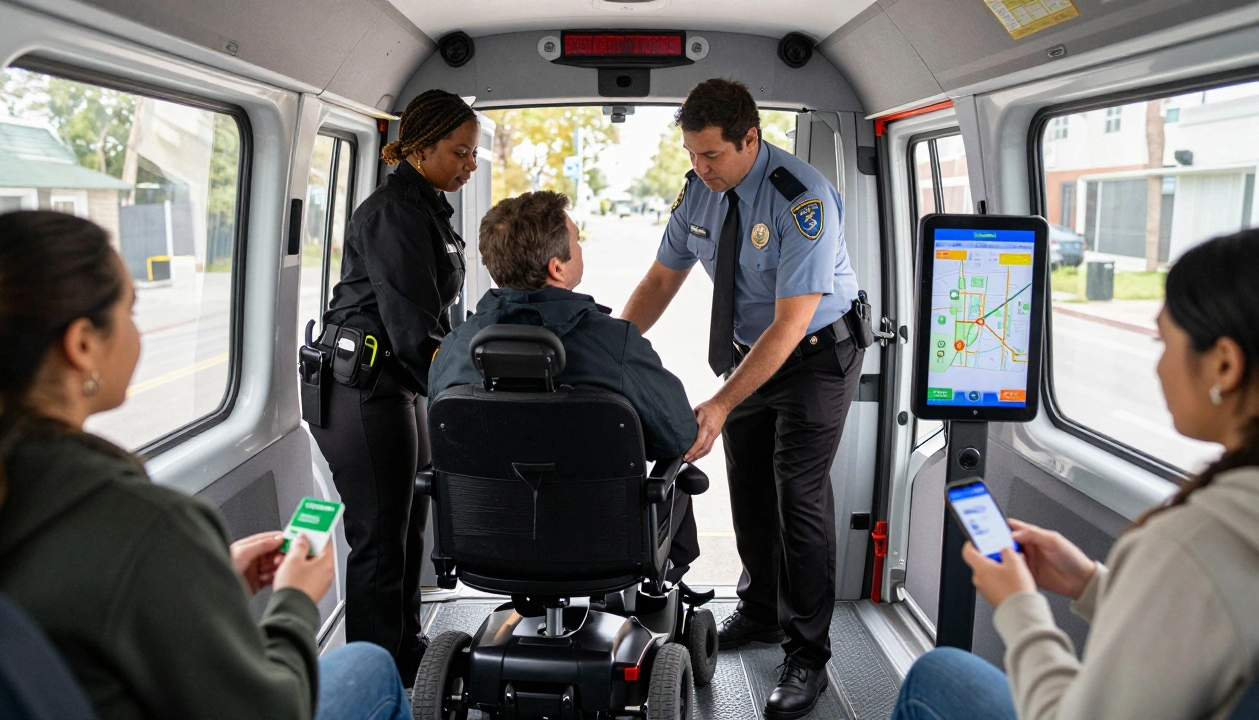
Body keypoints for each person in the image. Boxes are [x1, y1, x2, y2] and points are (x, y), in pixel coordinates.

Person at [0, 211, 412, 720]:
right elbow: (274, 709)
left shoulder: (2, 490)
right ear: (81, 345)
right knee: (369, 667)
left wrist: (205, 583)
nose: (137, 332)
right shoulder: (146, 525)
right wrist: (295, 600)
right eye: (130, 311)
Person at [892, 228, 1259, 720]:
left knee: (935, 674)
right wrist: (1088, 583)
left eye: (1163, 340)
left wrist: (1020, 605)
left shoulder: (1198, 542)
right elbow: (1205, 627)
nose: (1158, 366)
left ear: (1225, 364)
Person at [619, 78, 864, 719]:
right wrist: (607, 351)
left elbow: (790, 324)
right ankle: (760, 613)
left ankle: (808, 655)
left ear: (750, 138)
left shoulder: (799, 198)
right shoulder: (701, 190)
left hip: (813, 353)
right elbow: (660, 278)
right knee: (748, 484)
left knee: (797, 491)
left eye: (712, 156)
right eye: (693, 155)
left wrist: (722, 402)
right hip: (751, 352)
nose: (700, 169)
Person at [428, 190, 701, 581]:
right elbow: (679, 437)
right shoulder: (615, 344)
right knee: (675, 478)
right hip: (607, 546)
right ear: (557, 267)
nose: (581, 244)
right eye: (577, 240)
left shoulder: (454, 348)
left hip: (489, 544)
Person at [309, 89, 478, 683]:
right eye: (459, 152)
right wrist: (468, 391)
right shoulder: (393, 214)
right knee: (380, 534)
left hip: (398, 381)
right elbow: (413, 329)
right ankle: (370, 675)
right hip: (363, 389)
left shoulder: (426, 207)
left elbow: (433, 321)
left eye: (472, 154)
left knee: (410, 517)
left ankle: (404, 648)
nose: (469, 164)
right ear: (422, 147)